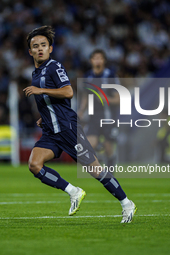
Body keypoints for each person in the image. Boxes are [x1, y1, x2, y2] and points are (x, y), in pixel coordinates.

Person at [23, 26, 136, 223]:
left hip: (67, 128)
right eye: (35, 46)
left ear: (50, 48)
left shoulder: (54, 67)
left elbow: (68, 92)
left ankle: (127, 203)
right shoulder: (36, 73)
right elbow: (52, 100)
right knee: (34, 164)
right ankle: (73, 191)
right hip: (51, 130)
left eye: (43, 45)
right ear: (30, 51)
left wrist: (41, 92)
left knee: (95, 170)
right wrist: (45, 115)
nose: (39, 49)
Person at [79, 49, 120, 167]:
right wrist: (81, 110)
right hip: (93, 117)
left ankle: (111, 173)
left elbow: (118, 99)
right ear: (91, 61)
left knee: (108, 148)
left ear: (104, 61)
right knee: (90, 145)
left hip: (108, 116)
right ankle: (99, 172)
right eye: (95, 58)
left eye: (100, 58)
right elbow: (85, 96)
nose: (97, 61)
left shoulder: (110, 76)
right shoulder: (87, 77)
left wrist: (106, 98)